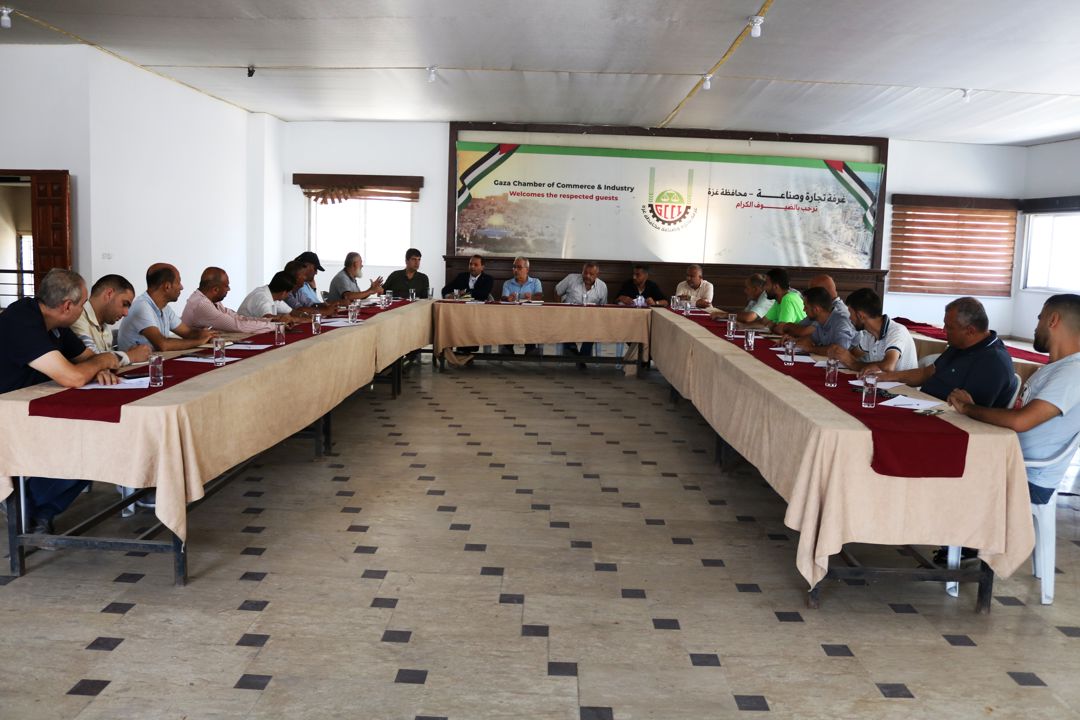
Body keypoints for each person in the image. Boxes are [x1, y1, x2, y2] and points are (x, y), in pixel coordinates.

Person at [0, 268, 121, 534]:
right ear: (67, 306)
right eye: (82, 303)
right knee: (84, 443)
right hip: (8, 414)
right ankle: (25, 505)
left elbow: (86, 359)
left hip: (36, 406)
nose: (84, 309)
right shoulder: (22, 320)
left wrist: (96, 367)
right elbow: (74, 377)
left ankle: (36, 510)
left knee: (102, 438)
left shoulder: (57, 325)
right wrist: (102, 362)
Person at [949, 294, 1080, 505]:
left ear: (1053, 320)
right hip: (1009, 460)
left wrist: (967, 408)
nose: (1035, 327)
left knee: (940, 471)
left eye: (1039, 318)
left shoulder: (1073, 372)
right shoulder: (1057, 368)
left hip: (1027, 476)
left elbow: (1020, 421)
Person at [873, 297, 1016, 408]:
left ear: (970, 331)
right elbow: (926, 373)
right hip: (924, 406)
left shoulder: (994, 361)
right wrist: (884, 377)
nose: (944, 331)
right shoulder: (959, 345)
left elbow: (974, 411)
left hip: (949, 420)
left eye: (949, 327)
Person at [116, 264, 216, 352]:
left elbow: (188, 333)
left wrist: (206, 334)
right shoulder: (142, 306)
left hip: (152, 362)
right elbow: (163, 345)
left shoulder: (165, 308)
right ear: (167, 286)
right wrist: (199, 342)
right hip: (135, 366)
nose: (181, 287)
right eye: (178, 282)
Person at [827, 288, 917, 372]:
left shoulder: (897, 332)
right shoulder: (870, 334)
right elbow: (853, 355)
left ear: (860, 316)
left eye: (850, 313)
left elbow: (888, 367)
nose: (850, 318)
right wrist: (839, 353)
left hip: (902, 384)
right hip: (879, 382)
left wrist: (853, 364)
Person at [70, 274, 151, 366]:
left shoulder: (105, 327)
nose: (126, 313)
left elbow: (107, 364)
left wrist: (128, 355)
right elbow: (91, 359)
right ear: (109, 294)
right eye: (124, 304)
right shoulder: (77, 315)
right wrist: (130, 356)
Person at [181, 267, 276, 333]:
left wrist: (271, 320)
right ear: (215, 290)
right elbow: (238, 326)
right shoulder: (202, 304)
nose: (229, 289)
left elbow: (237, 318)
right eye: (226, 286)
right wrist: (277, 327)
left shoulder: (212, 300)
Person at [556, 261, 609, 363]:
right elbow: (557, 292)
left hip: (590, 320)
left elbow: (603, 307)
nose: (587, 276)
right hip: (569, 316)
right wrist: (560, 310)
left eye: (591, 274)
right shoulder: (571, 279)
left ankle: (581, 357)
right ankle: (575, 353)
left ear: (597, 275)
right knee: (563, 325)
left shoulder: (602, 287)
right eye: (585, 273)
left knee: (594, 328)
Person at [786, 286, 857, 355]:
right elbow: (811, 339)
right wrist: (793, 341)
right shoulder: (820, 321)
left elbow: (840, 350)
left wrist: (811, 349)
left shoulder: (841, 322)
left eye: (806, 307)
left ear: (816, 309)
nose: (804, 310)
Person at [775, 274, 844, 337]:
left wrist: (787, 326)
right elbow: (800, 326)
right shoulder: (817, 307)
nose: (809, 295)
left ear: (822, 292)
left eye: (812, 292)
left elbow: (805, 332)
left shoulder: (837, 311)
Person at [500, 257, 543, 355]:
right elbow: (503, 298)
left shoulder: (535, 282)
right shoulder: (507, 283)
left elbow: (539, 296)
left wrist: (532, 297)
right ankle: (508, 348)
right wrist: (508, 299)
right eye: (514, 267)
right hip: (511, 317)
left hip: (531, 316)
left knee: (531, 320)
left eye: (519, 267)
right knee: (508, 320)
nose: (515, 270)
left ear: (527, 269)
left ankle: (530, 348)